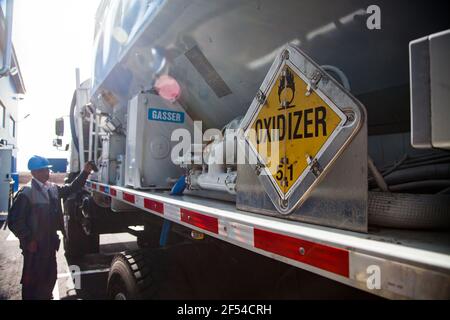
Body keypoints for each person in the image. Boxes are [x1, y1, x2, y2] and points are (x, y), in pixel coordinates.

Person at [8, 155, 95, 300]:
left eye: (47, 170)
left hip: (49, 244)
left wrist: (85, 172)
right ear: (34, 173)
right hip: (35, 247)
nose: (47, 173)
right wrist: (29, 240)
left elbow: (71, 188)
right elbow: (14, 221)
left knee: (50, 277)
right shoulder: (27, 193)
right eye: (43, 170)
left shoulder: (52, 188)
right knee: (32, 282)